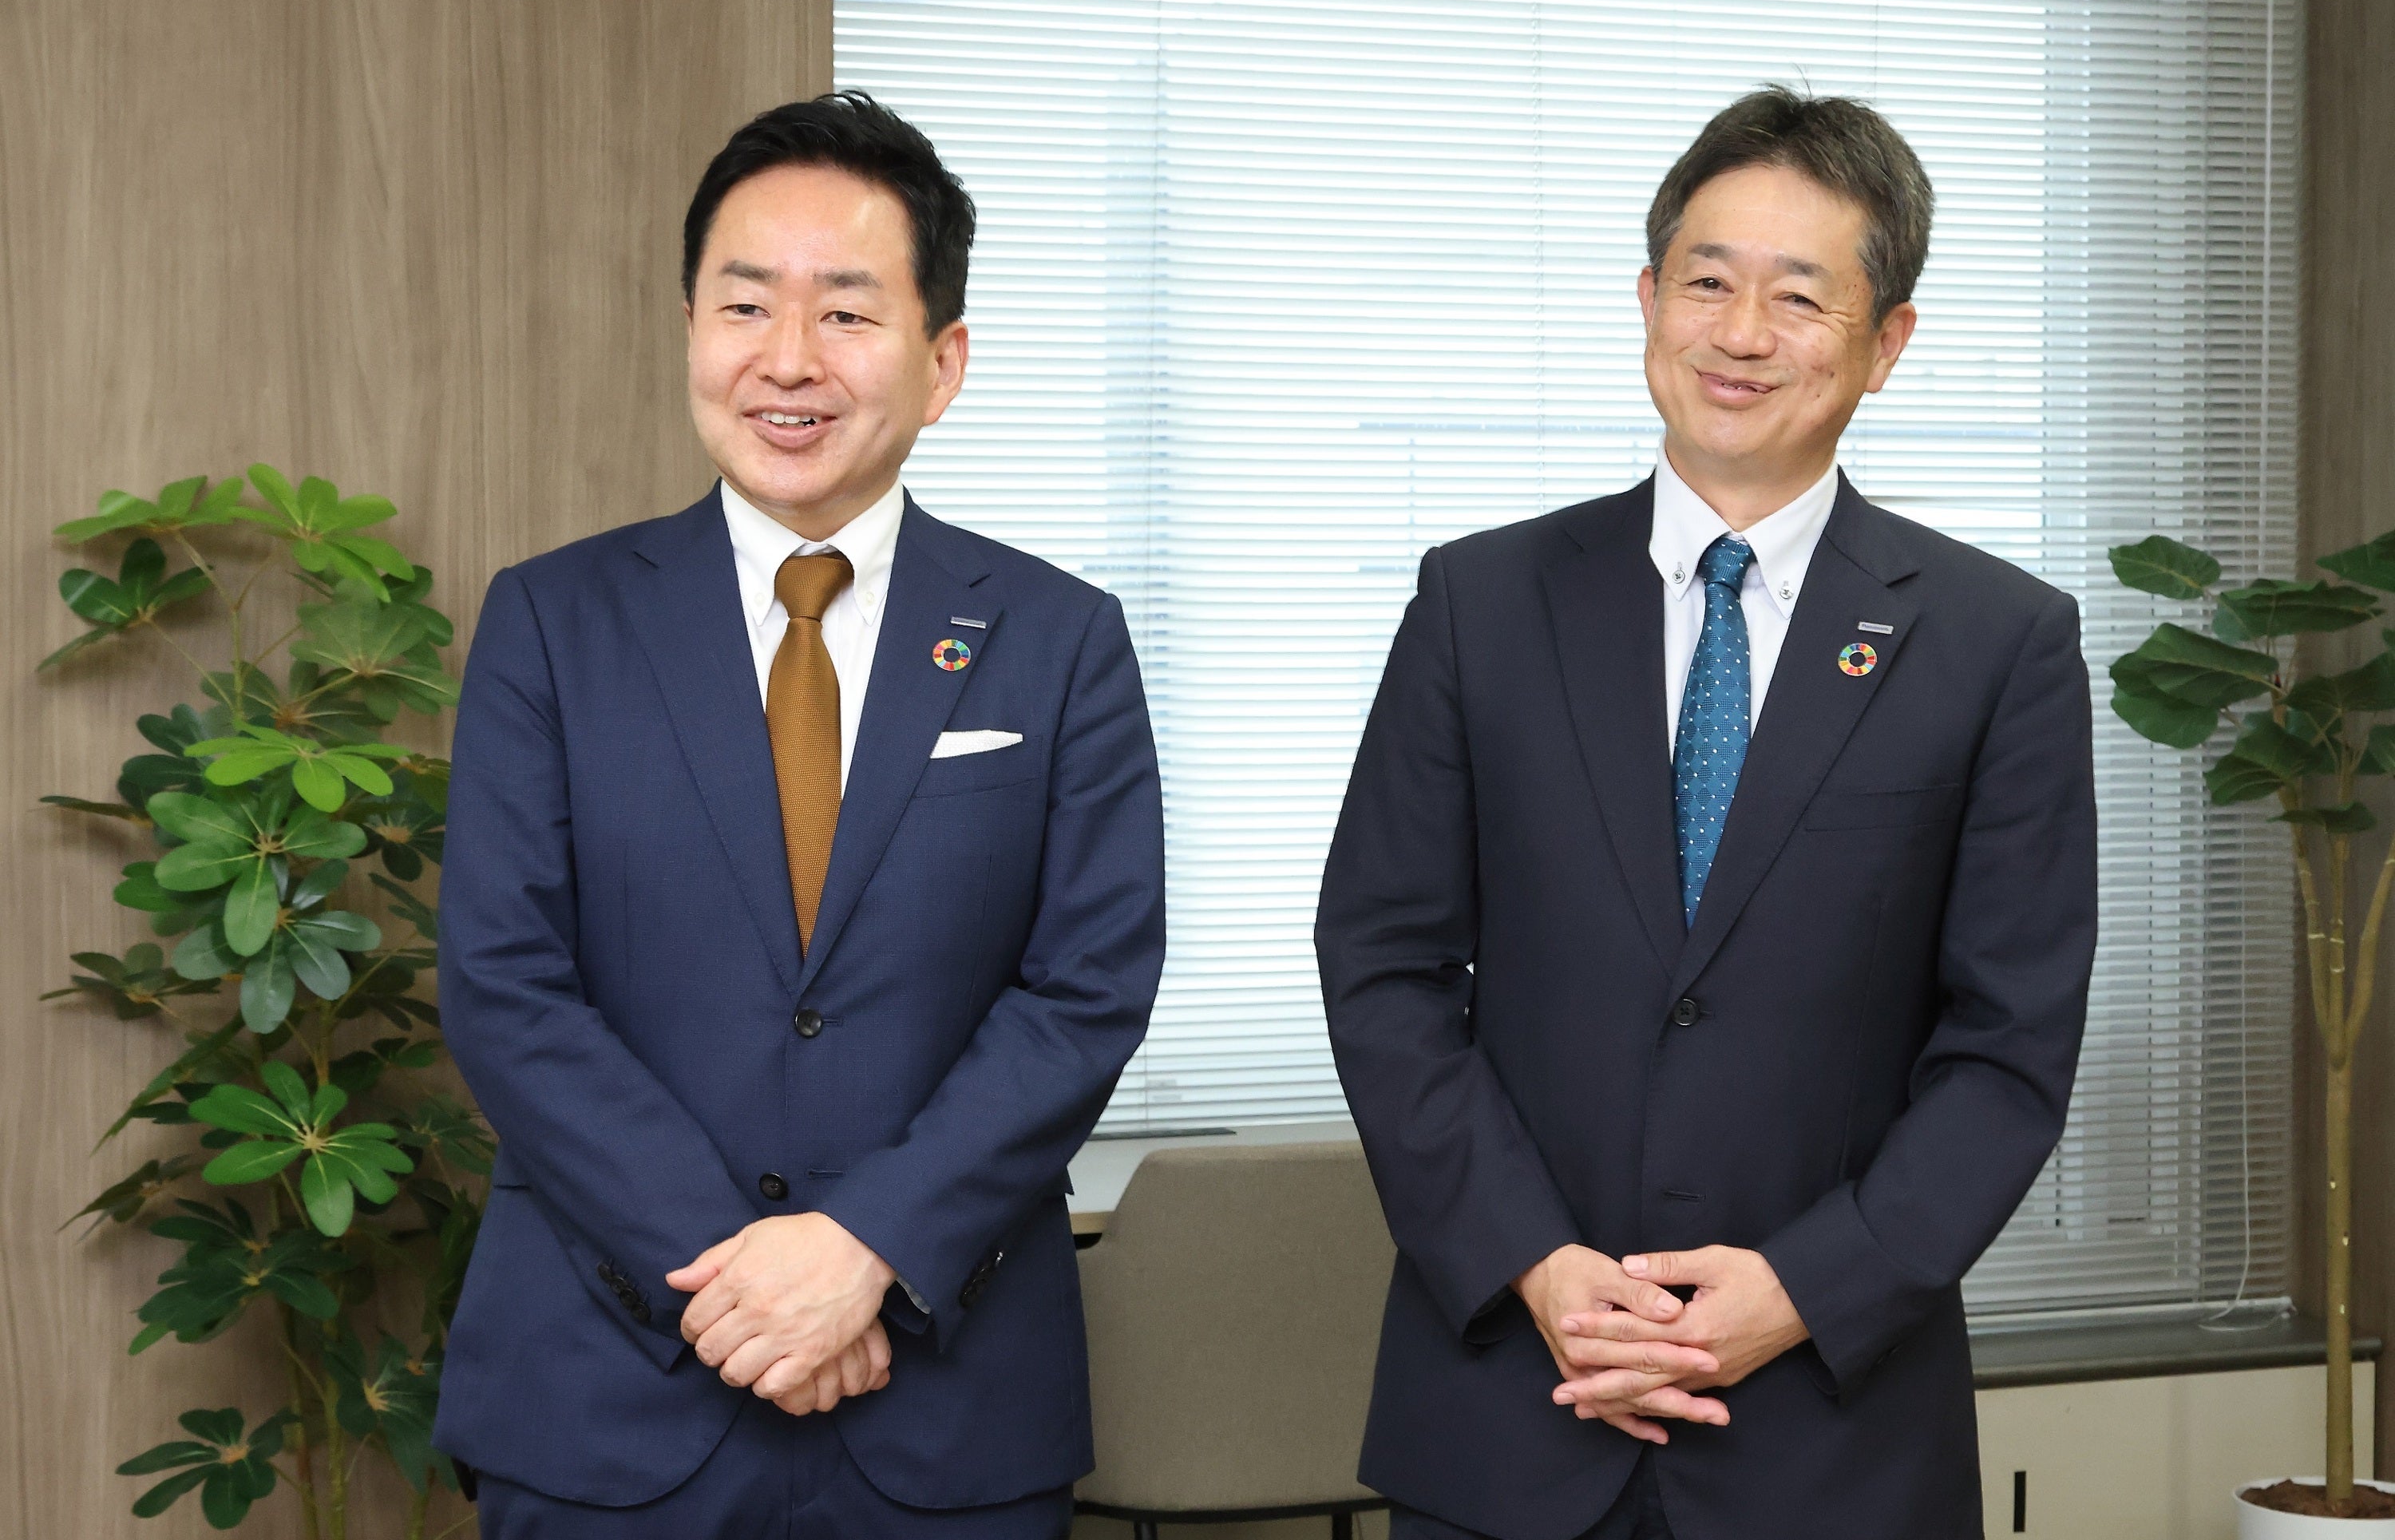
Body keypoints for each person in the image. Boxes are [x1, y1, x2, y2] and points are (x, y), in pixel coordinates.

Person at [1316, 85, 2097, 1540]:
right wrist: (1538, 1263)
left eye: (1799, 297)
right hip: (1512, 1403)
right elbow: (1384, 967)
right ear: (1647, 300)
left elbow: (2008, 1051)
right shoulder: (1481, 603)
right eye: (1707, 282)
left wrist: (1804, 1288)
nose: (1741, 334)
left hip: (1833, 1440)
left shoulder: (2001, 643)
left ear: (1887, 342)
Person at [430, 91, 1166, 1538]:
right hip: (608, 1389)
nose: (787, 359)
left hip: (944, 1401)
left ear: (943, 362)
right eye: (745, 304)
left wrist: (866, 1246)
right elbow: (505, 985)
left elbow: (1084, 990)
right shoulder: (553, 622)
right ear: (690, 331)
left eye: (845, 312)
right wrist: (742, 1274)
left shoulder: (1060, 637)